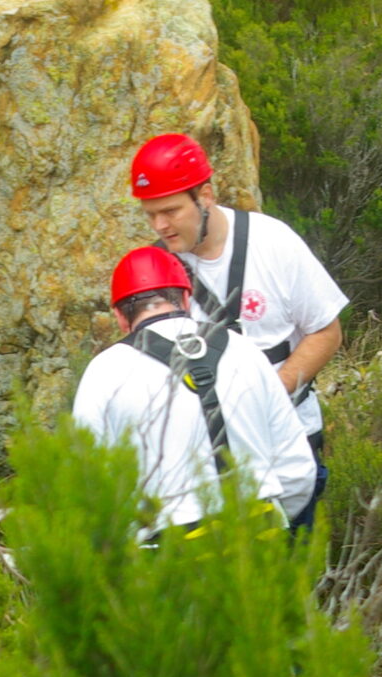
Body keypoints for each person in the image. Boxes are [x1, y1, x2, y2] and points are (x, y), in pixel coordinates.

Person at [128, 133, 348, 531]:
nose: (160, 226)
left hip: (288, 447)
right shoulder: (156, 272)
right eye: (150, 214)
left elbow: (326, 332)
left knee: (289, 561)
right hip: (200, 465)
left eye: (171, 211)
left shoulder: (272, 242)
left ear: (205, 196)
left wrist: (267, 397)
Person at [71, 246, 318, 539]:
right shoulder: (246, 351)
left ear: (119, 316)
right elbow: (297, 467)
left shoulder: (105, 372)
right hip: (262, 537)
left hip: (169, 551)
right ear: (186, 299)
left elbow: (89, 482)